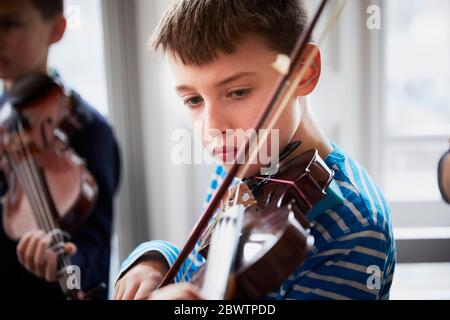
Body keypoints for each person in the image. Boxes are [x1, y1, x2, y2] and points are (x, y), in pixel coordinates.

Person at [115, 0, 395, 300]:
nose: (213, 127)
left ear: (304, 72)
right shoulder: (239, 166)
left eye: (237, 92)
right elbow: (206, 272)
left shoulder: (355, 227)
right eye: (194, 100)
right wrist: (157, 260)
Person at [0, 0, 120, 299]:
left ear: (56, 28)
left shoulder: (85, 130)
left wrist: (60, 263)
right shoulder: (4, 114)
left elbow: (94, 261)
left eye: (10, 24)